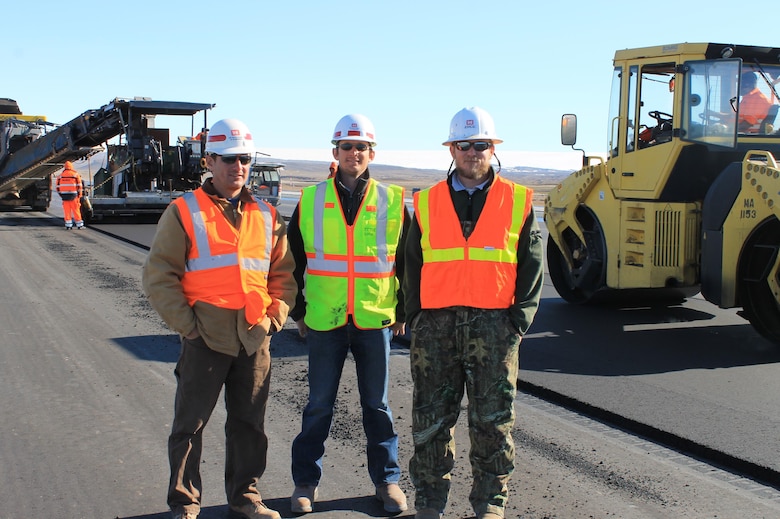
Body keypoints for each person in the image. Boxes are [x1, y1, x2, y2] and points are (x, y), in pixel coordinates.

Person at [141, 118, 297, 519]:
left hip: (253, 339)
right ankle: (184, 502)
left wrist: (274, 319)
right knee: (189, 426)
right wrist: (189, 328)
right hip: (204, 340)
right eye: (228, 158)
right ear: (209, 160)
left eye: (244, 158)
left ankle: (245, 499)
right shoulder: (185, 211)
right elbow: (160, 277)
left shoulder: (266, 215)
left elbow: (283, 277)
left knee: (249, 426)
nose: (237, 167)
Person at [403, 107, 544, 519]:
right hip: (437, 328)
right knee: (430, 420)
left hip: (494, 327)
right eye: (464, 145)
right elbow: (411, 263)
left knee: (493, 423)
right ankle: (430, 500)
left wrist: (518, 321)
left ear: (492, 149)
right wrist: (417, 317)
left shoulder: (518, 200)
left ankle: (489, 502)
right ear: (452, 149)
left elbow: (532, 262)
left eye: (480, 145)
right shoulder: (426, 201)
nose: (472, 152)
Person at [287, 113, 410, 515]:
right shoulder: (310, 199)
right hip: (325, 320)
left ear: (371, 153)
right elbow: (293, 261)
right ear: (335, 152)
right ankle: (305, 483)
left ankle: (387, 483)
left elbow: (407, 261)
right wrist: (299, 311)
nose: (353, 153)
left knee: (377, 406)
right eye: (346, 147)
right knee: (319, 405)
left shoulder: (393, 201)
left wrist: (404, 309)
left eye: (361, 147)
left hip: (375, 319)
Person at [55, 161, 84, 229]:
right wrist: (79, 195)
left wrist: (61, 195)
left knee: (67, 211)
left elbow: (57, 187)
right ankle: (79, 224)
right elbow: (79, 186)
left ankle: (68, 225)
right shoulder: (75, 175)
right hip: (74, 195)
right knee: (76, 210)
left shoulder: (60, 176)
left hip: (65, 196)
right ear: (71, 166)